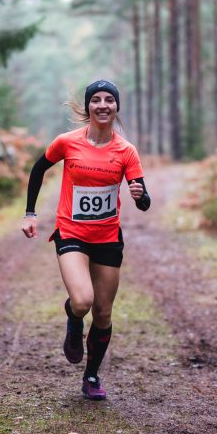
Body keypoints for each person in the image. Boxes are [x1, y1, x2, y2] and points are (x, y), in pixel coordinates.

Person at [21, 80, 151, 401]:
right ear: (88, 106)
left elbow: (144, 201)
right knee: (82, 302)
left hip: (107, 238)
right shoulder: (67, 142)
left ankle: (91, 375)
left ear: (116, 107)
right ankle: (73, 319)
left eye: (109, 100)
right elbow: (38, 169)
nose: (103, 105)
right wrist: (30, 213)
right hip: (71, 232)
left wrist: (140, 195)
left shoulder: (126, 151)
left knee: (103, 313)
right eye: (96, 100)